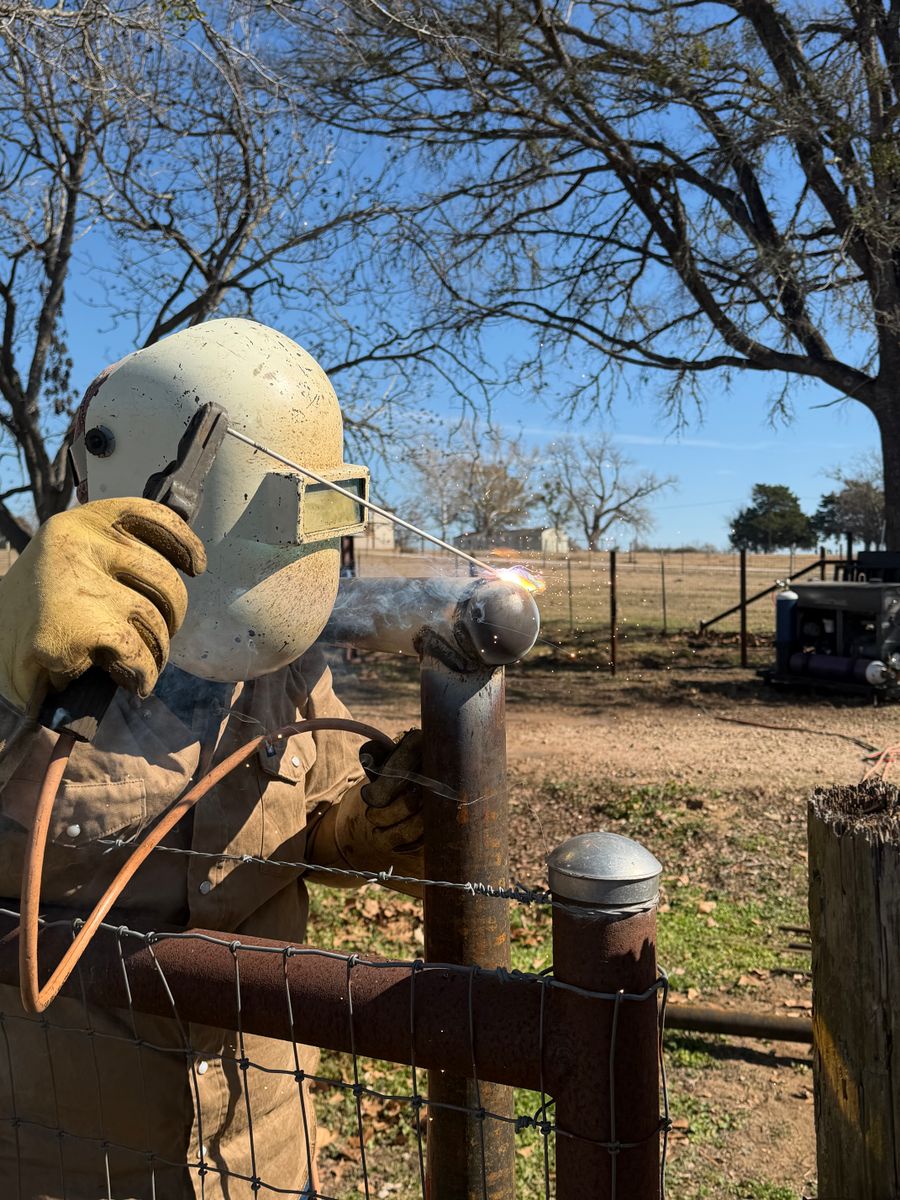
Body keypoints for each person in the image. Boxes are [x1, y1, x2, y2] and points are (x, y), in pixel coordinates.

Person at [0, 319, 423, 1199]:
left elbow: (320, 803)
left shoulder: (279, 660)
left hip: (261, 1151)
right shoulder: (22, 637)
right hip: (67, 1157)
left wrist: (369, 821)